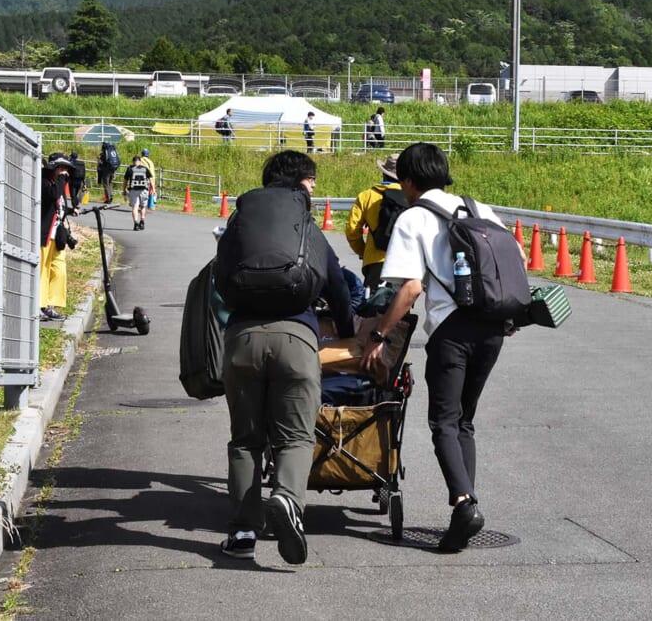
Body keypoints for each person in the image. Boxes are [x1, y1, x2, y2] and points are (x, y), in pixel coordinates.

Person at [359, 142, 517, 553]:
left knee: (444, 422)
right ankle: (464, 503)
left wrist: (379, 336)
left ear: (408, 181)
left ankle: (465, 504)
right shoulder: (478, 208)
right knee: (465, 420)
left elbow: (409, 287)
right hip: (494, 327)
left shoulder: (414, 218)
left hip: (452, 330)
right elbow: (515, 256)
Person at [219, 150, 355, 564]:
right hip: (297, 340)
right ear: (299, 183)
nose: (314, 190)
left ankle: (243, 531)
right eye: (312, 183)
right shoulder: (307, 227)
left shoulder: (240, 221)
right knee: (295, 435)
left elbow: (220, 277)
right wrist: (347, 331)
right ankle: (287, 499)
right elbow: (337, 285)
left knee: (246, 440)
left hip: (242, 339)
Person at [345, 153, 403, 290]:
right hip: (404, 262)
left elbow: (352, 231)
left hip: (375, 262)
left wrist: (363, 251)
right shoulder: (410, 196)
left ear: (384, 173)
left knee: (374, 305)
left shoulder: (367, 196)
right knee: (399, 307)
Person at [40, 153, 76, 321]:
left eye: (66, 170)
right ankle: (39, 305)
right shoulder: (44, 182)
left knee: (59, 271)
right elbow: (52, 196)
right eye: (61, 169)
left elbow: (59, 204)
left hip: (57, 237)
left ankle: (51, 304)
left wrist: (69, 210)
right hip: (45, 235)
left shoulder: (58, 185)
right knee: (43, 271)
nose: (64, 172)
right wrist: (62, 180)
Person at [123, 155, 152, 231]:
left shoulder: (130, 169)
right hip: (144, 190)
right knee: (143, 206)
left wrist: (124, 190)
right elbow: (150, 178)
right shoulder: (145, 169)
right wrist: (153, 189)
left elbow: (125, 181)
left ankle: (136, 223)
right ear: (140, 161)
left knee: (135, 207)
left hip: (133, 190)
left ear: (133, 162)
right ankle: (142, 220)